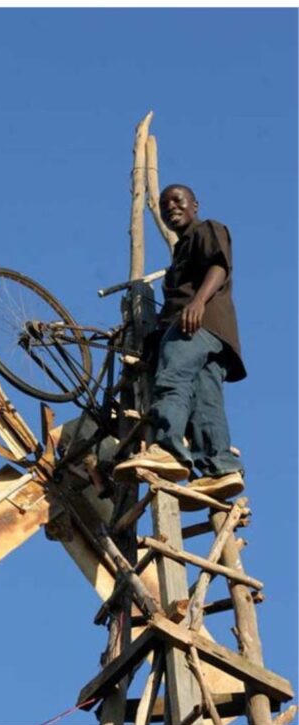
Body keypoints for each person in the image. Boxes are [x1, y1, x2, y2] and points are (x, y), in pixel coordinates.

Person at [113, 184, 245, 506]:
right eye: (162, 203)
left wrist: (198, 302)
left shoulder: (207, 229)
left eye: (177, 200)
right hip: (213, 336)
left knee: (172, 380)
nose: (170, 206)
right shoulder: (181, 252)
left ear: (194, 204)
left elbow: (219, 265)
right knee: (205, 400)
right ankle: (220, 468)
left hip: (196, 324)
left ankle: (169, 449)